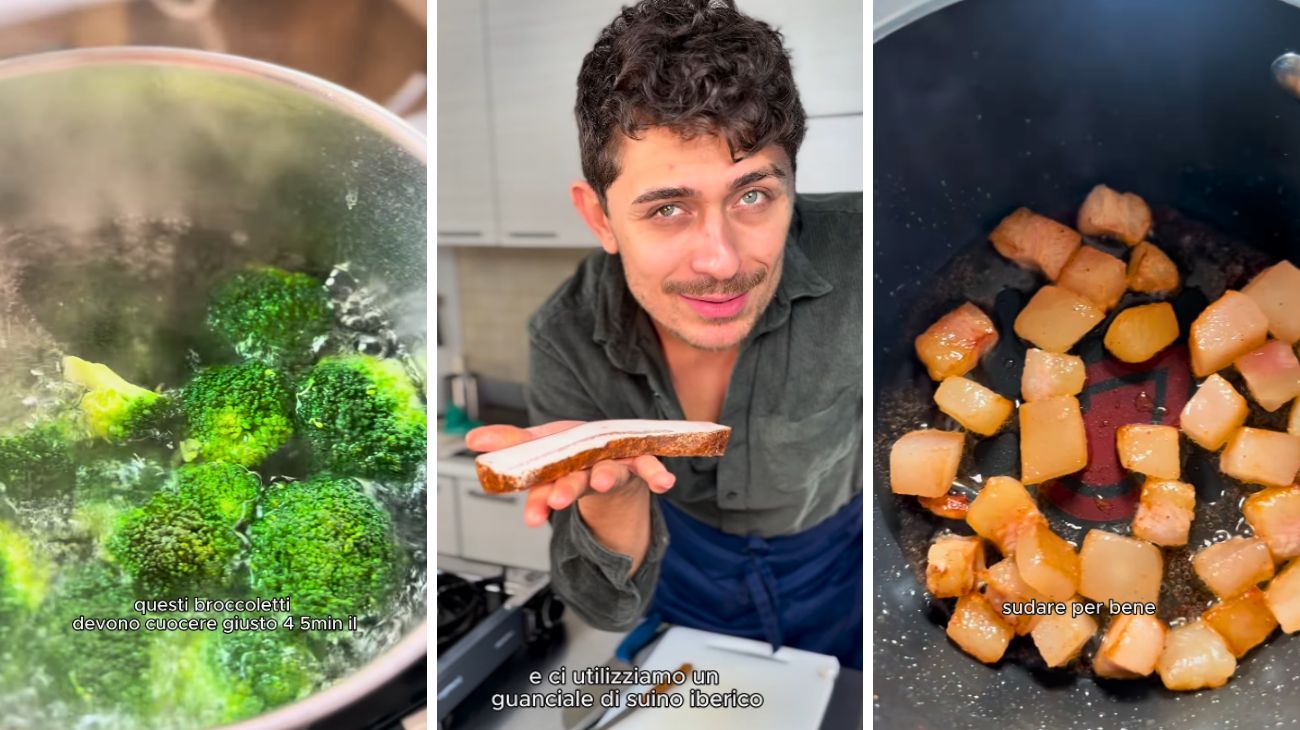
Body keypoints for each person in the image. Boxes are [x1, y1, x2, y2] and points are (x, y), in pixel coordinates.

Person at [466, 0, 862, 669]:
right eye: (668, 209)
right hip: (687, 599)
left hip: (842, 587)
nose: (723, 261)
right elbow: (603, 606)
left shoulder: (859, 253)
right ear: (600, 218)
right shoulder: (565, 338)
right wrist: (615, 494)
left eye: (753, 196)